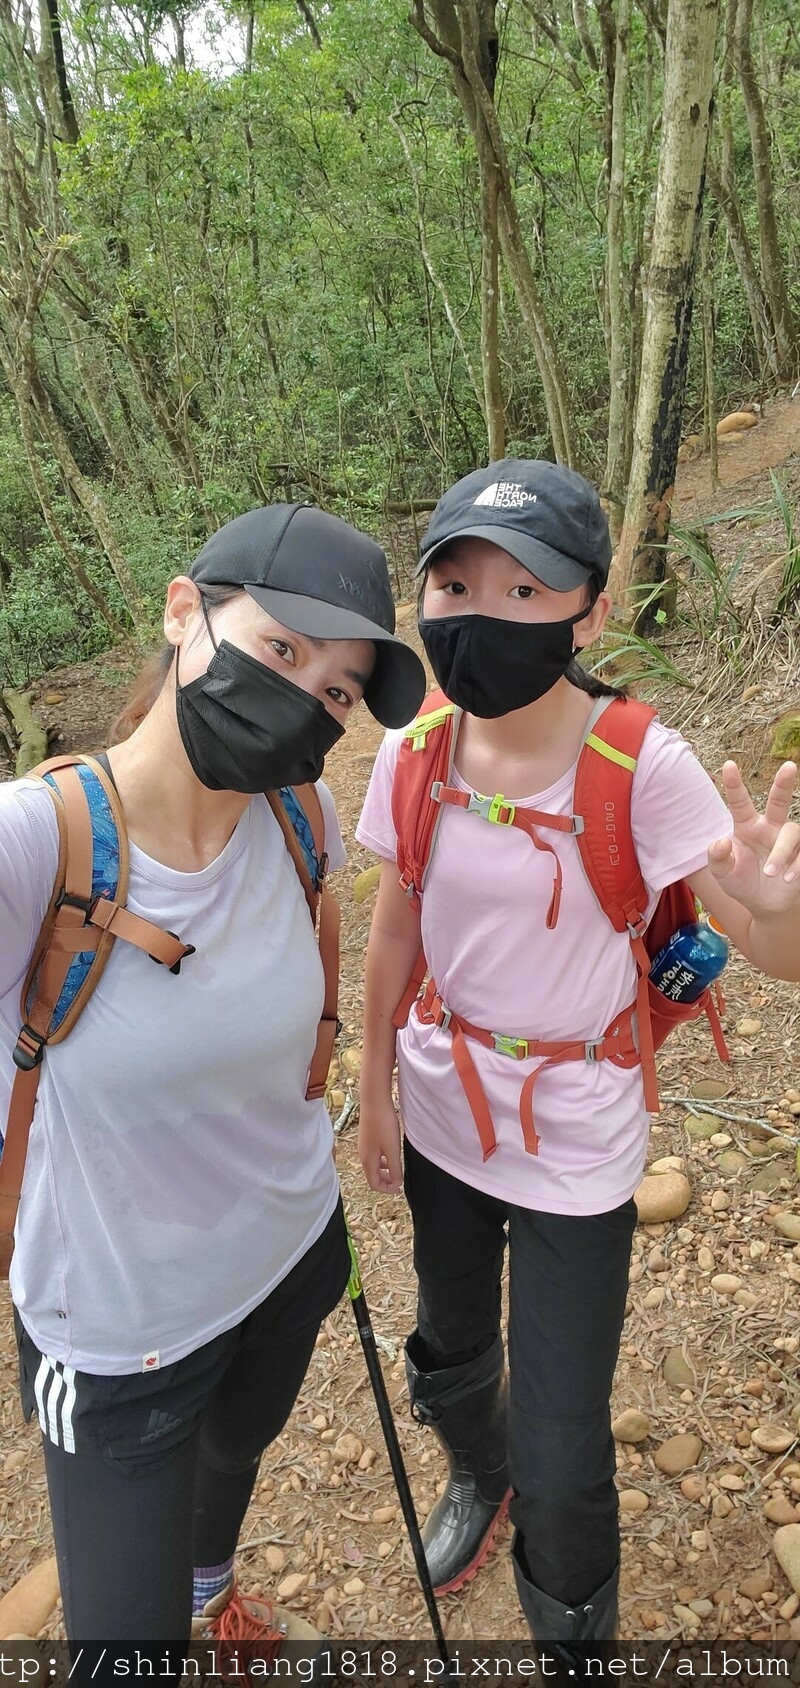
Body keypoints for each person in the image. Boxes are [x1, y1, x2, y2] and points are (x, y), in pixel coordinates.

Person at [355, 459, 800, 1654]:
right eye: (453, 584)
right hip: (445, 1102)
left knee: (564, 1443)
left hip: (581, 1134)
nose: (477, 614)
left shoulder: (636, 764)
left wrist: (772, 900)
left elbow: (768, 945)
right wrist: (372, 1088)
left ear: (587, 611)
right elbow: (396, 918)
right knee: (450, 1345)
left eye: (520, 590)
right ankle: (474, 1474)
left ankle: (569, 1627)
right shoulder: (414, 753)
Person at [0, 503, 425, 1653]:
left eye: (336, 691)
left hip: (289, 1256)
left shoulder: (302, 816)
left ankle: (209, 1587)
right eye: (281, 649)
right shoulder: (36, 843)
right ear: (185, 609)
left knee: (235, 1452)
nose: (304, 699)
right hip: (119, 1331)